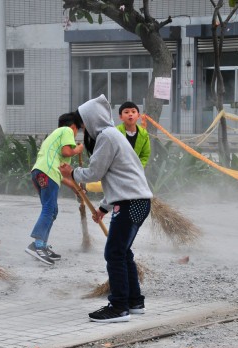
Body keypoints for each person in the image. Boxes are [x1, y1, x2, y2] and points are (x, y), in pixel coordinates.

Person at [59, 94, 153, 323]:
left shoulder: (107, 137)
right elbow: (118, 178)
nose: (83, 129)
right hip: (135, 201)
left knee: (114, 253)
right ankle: (134, 301)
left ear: (92, 120)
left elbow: (95, 173)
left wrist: (71, 173)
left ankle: (119, 306)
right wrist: (103, 207)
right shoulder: (112, 136)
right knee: (123, 252)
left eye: (83, 124)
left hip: (131, 203)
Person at [25, 112, 84, 265]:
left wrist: (78, 191)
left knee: (52, 210)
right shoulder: (66, 131)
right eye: (77, 131)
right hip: (47, 173)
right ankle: (37, 245)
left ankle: (42, 245)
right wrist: (78, 149)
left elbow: (62, 176)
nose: (74, 136)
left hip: (40, 173)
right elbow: (67, 152)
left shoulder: (54, 139)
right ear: (73, 127)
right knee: (49, 209)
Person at [116, 101, 151, 167]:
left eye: (133, 112)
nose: (130, 114)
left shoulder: (143, 133)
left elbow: (145, 155)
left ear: (138, 116)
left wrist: (138, 168)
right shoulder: (115, 132)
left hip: (136, 171)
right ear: (121, 117)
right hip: (118, 171)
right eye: (126, 112)